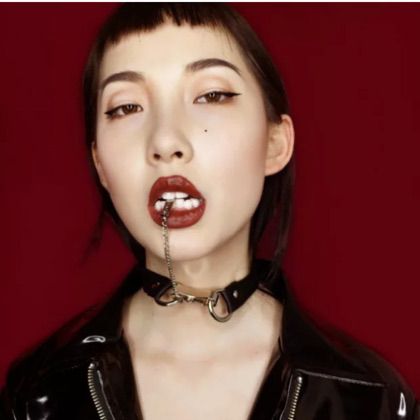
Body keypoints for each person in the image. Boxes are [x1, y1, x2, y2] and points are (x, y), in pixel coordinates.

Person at [0, 3, 418, 419]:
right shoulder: (37, 394)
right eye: (125, 107)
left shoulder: (371, 400)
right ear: (100, 164)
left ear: (275, 143)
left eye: (211, 95)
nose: (165, 141)